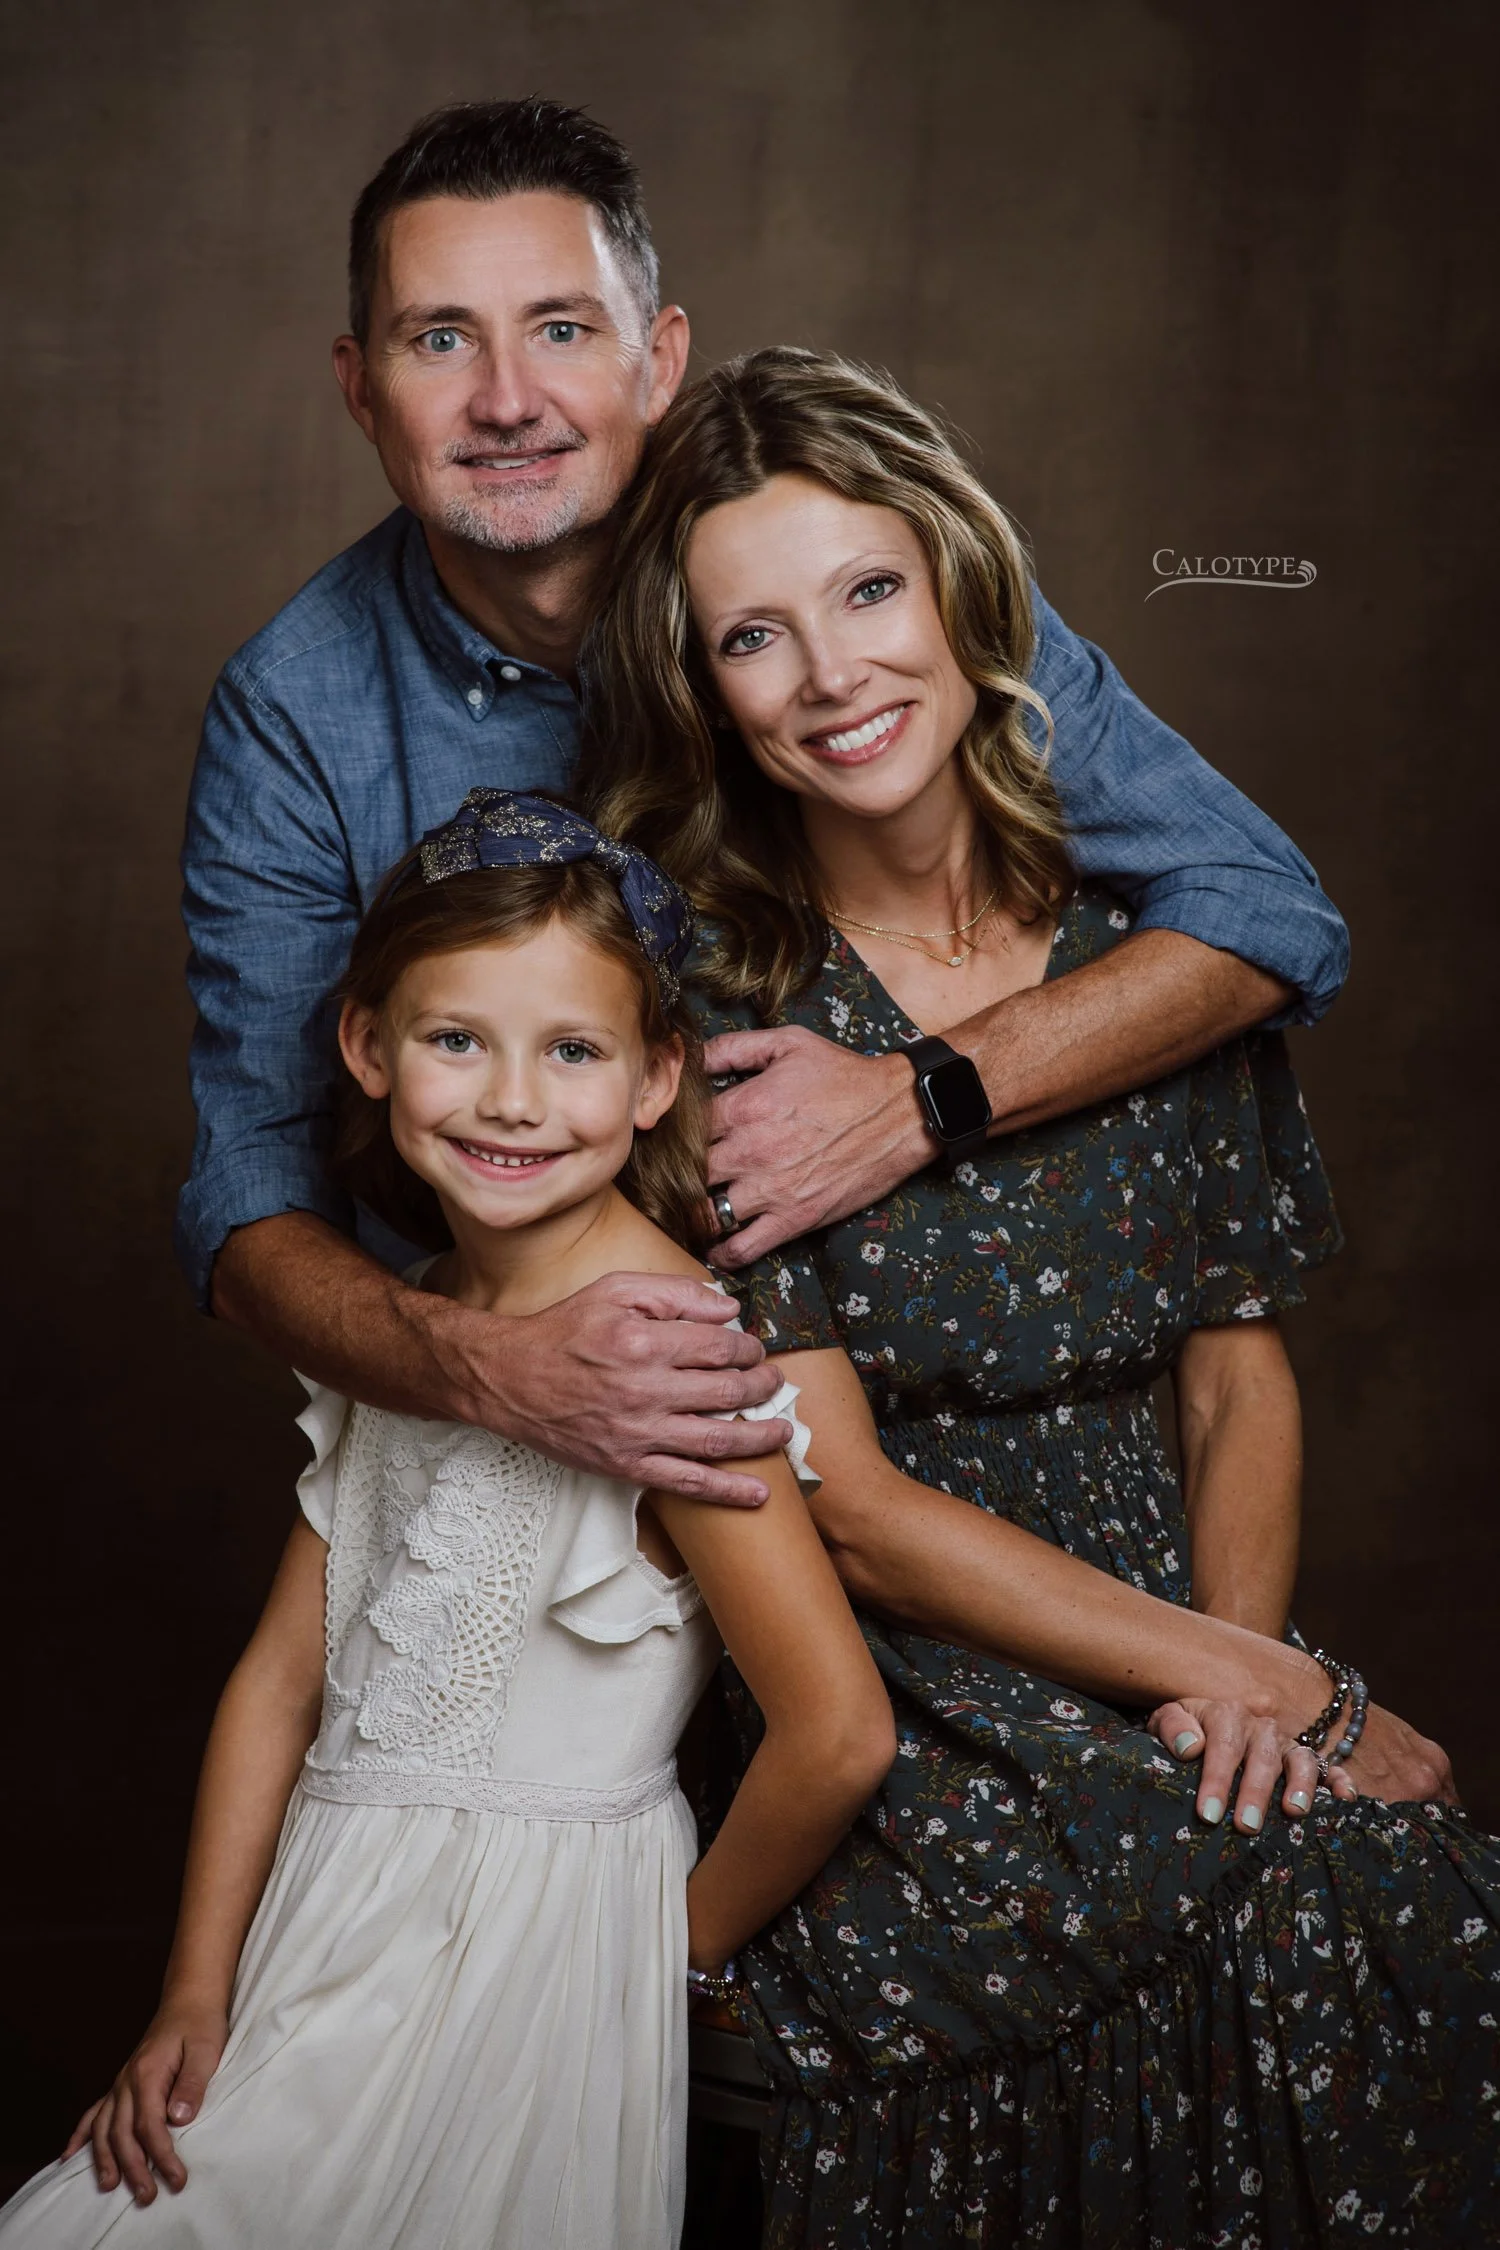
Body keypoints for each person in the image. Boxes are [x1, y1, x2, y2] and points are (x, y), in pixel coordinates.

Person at [581, 344, 1500, 2247]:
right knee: (1263, 1896)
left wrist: (1235, 1681)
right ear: (707, 693)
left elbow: (1235, 1383)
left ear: (963, 592)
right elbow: (853, 1509)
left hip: (1169, 1611)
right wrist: (1253, 1683)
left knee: (1392, 1890)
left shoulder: (1156, 968)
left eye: (867, 591)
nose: (834, 676)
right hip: (903, 1671)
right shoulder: (729, 1027)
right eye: (755, 638)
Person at [180, 97, 1349, 1510]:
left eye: (561, 326)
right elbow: (252, 1195)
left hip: (901, 1422)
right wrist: (496, 1365)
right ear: (361, 388)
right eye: (442, 339)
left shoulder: (854, 577)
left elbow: (1270, 908)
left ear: (656, 357)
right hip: (522, 1438)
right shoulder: (292, 708)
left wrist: (928, 1094)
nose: (506, 397)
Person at [0, 798, 893, 2249]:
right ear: (368, 1046)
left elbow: (836, 1728)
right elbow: (282, 1681)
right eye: (456, 1039)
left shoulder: (673, 1351)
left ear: (659, 1074)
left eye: (575, 1050)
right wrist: (193, 1987)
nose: (511, 1100)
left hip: (533, 1963)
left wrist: (653, 1957)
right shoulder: (412, 1317)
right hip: (330, 1921)